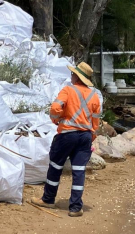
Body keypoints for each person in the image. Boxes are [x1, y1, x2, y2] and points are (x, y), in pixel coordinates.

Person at [29, 62, 102, 217]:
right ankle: (75, 207)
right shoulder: (94, 96)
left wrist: (56, 120)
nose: (72, 76)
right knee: (79, 171)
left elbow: (55, 108)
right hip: (85, 137)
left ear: (76, 76)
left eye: (73, 74)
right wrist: (91, 136)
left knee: (56, 166)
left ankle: (48, 199)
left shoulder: (68, 90)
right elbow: (96, 121)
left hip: (67, 135)